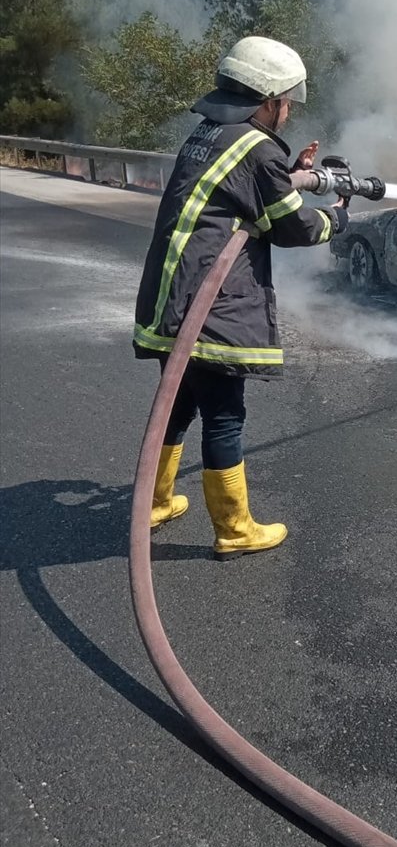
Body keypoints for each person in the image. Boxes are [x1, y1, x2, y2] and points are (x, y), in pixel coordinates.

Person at [134, 36, 348, 559]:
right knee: (225, 414)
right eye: (286, 102)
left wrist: (287, 174)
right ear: (268, 101)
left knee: (177, 401)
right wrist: (338, 217)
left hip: (170, 295)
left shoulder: (209, 132)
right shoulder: (257, 149)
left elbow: (239, 193)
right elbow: (292, 227)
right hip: (210, 304)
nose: (288, 111)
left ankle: (155, 502)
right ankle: (234, 529)